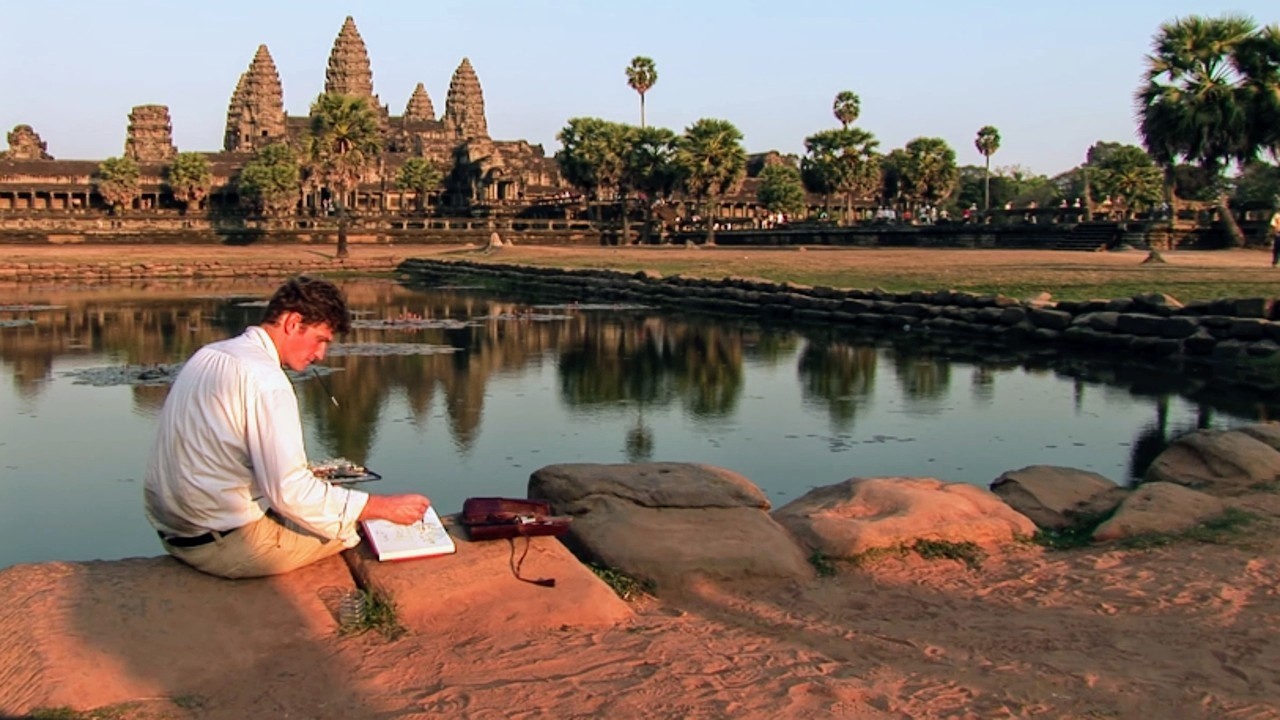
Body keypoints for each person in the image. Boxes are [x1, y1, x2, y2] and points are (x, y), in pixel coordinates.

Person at [144, 276, 431, 578]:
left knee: (328, 505)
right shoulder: (266, 379)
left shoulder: (210, 354)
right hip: (226, 545)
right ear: (294, 323)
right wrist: (380, 506)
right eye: (321, 340)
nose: (320, 354)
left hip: (176, 533)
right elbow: (288, 490)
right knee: (368, 528)